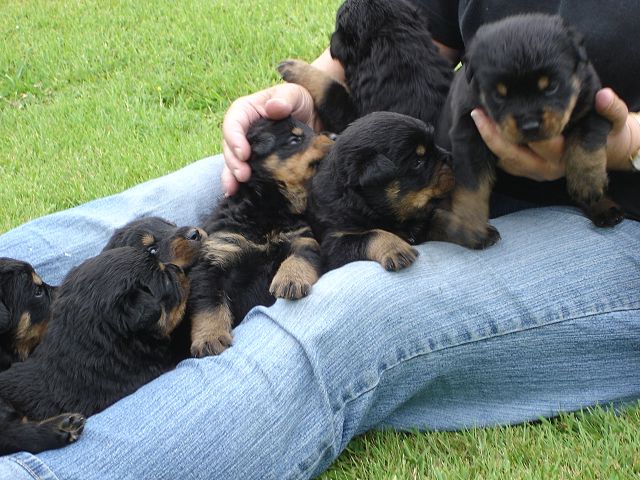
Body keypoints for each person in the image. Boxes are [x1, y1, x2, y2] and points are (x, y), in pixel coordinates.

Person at [1, 1, 639, 478]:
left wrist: (622, 145)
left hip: (612, 216)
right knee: (164, 210)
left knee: (332, 312)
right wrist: (310, 93)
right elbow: (418, 32)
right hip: (420, 157)